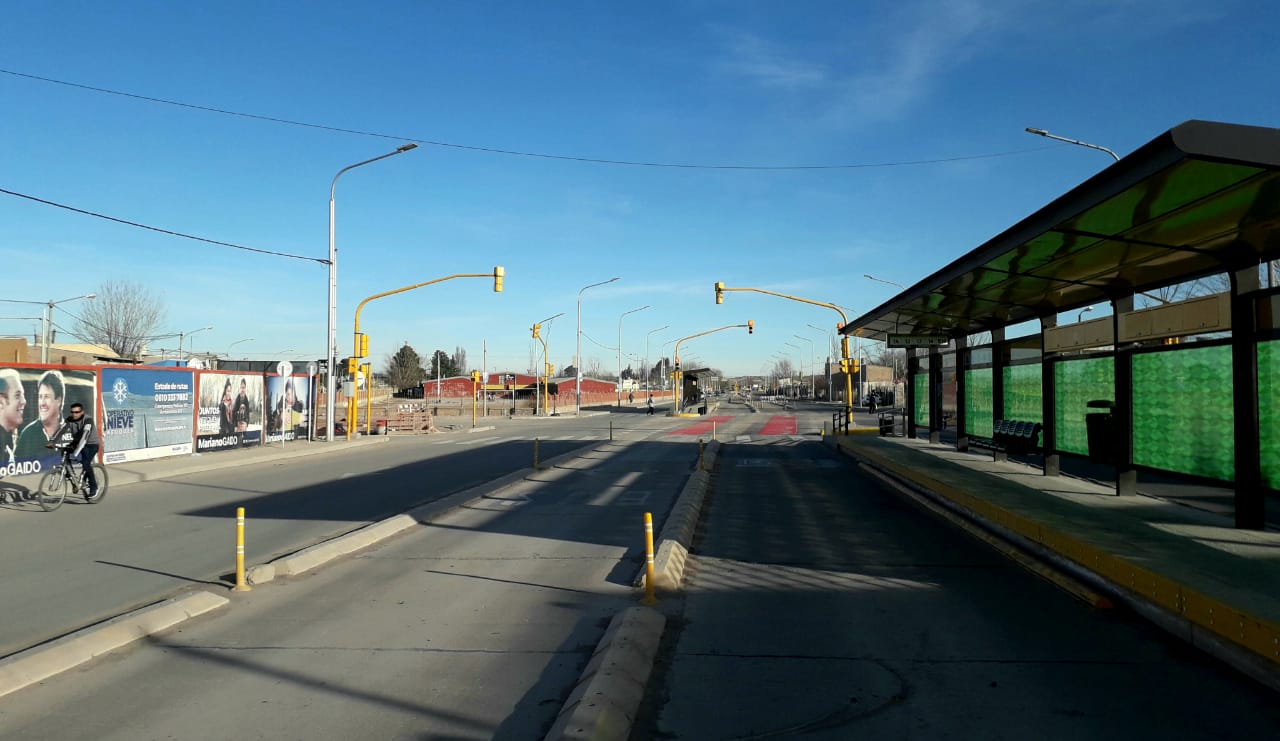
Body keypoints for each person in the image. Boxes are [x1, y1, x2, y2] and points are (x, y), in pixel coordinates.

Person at [16, 370, 64, 461]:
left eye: (46, 397)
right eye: (40, 397)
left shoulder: (72, 432)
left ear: (58, 400)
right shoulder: (27, 434)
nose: (42, 403)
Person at [58, 402, 100, 500]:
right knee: (64, 452)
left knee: (86, 464)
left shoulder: (88, 420)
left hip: (91, 445)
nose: (74, 414)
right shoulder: (69, 420)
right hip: (77, 442)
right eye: (72, 412)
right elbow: (61, 430)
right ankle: (73, 480)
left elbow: (85, 437)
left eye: (77, 412)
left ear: (82, 412)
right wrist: (52, 441)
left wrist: (76, 452)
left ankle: (94, 487)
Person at [0, 368, 26, 465]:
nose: (24, 401)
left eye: (23, 395)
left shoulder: (8, 435)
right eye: (17, 395)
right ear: (1, 402)